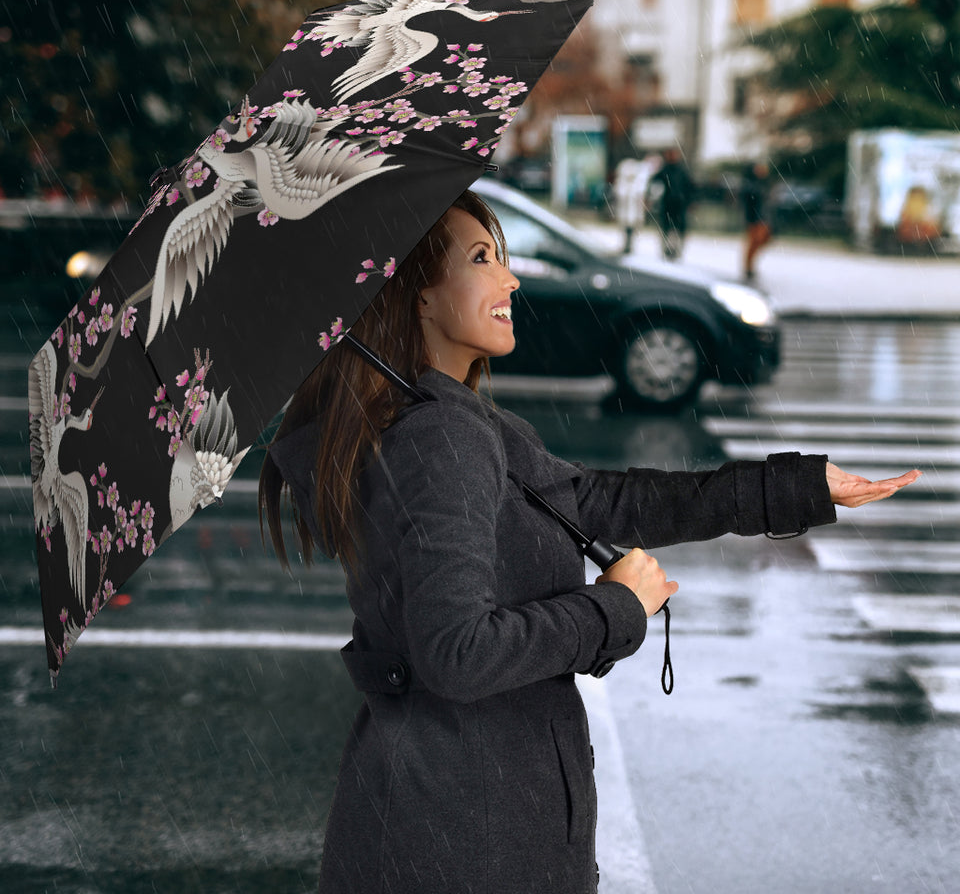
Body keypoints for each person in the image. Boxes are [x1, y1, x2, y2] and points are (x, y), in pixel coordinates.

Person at [258, 190, 919, 894]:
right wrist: (615, 608)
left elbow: (599, 502)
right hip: (469, 837)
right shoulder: (441, 438)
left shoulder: (443, 421)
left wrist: (795, 488)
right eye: (482, 259)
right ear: (417, 294)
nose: (511, 279)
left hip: (447, 817)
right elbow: (457, 653)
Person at [648, 147, 695, 261]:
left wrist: (690, 201)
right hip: (668, 205)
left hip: (679, 205)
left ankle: (675, 250)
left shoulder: (681, 171)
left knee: (677, 229)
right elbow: (654, 183)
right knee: (667, 228)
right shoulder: (665, 170)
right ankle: (667, 249)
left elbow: (690, 187)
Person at [741, 160, 773, 281]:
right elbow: (750, 200)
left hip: (762, 217)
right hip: (754, 218)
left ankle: (749, 265)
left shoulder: (762, 183)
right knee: (754, 242)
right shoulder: (751, 184)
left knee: (761, 240)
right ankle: (748, 267)